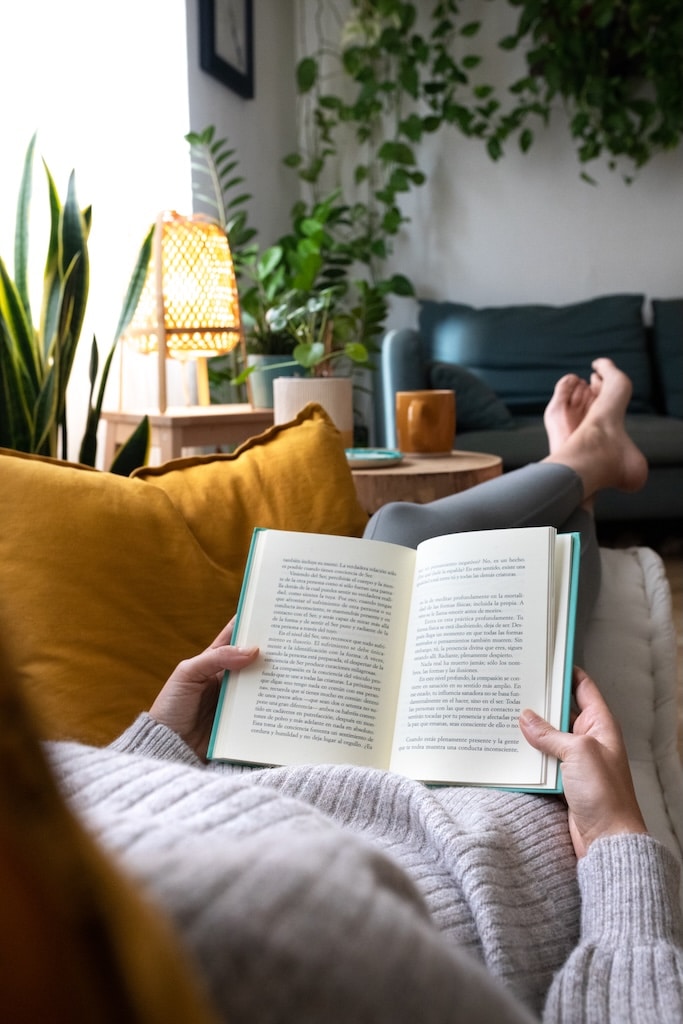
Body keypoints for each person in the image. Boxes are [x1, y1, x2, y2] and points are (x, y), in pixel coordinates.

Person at [47, 359, 681, 1023]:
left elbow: (76, 817)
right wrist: (615, 835)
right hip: (474, 848)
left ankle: (583, 466)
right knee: (413, 535)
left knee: (402, 536)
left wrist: (161, 743)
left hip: (277, 772)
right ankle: (584, 463)